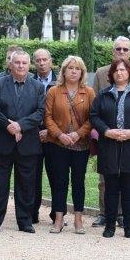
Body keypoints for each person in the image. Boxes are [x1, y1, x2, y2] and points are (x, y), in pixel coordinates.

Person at [90, 58, 130, 239]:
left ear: (129, 73)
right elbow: (94, 116)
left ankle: (129, 226)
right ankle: (109, 226)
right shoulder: (103, 95)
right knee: (110, 188)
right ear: (111, 73)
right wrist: (106, 131)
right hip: (109, 146)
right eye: (116, 70)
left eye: (123, 70)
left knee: (128, 189)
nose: (120, 73)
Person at [0, 50, 46, 233]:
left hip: (27, 142)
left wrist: (20, 126)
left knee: (26, 183)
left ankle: (25, 221)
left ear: (29, 65)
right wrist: (9, 126)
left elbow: (40, 112)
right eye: (17, 63)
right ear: (10, 65)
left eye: (24, 63)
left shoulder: (37, 87)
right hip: (2, 140)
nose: (20, 66)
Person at [43, 55, 95, 234]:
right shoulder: (54, 91)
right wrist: (59, 134)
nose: (73, 71)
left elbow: (92, 118)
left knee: (78, 182)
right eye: (70, 68)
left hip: (81, 146)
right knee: (60, 182)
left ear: (82, 72)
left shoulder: (88, 92)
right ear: (64, 71)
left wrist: (78, 134)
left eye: (77, 68)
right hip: (58, 144)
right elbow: (47, 117)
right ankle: (58, 219)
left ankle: (78, 220)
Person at [29, 48, 58, 224]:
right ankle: (32, 212)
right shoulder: (29, 81)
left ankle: (57, 213)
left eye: (44, 59)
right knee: (33, 176)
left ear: (50, 61)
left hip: (54, 136)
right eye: (38, 60)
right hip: (33, 135)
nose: (41, 63)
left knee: (56, 175)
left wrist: (51, 130)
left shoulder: (60, 81)